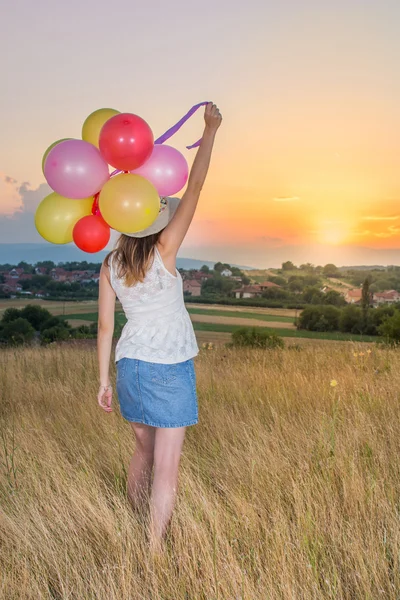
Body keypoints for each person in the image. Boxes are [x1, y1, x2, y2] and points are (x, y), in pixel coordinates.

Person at [96, 102, 222, 552]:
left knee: (142, 453)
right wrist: (209, 131)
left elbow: (106, 328)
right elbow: (196, 188)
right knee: (166, 467)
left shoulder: (110, 264)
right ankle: (150, 553)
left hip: (129, 367)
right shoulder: (165, 250)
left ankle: (130, 524)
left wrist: (102, 381)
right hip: (168, 367)